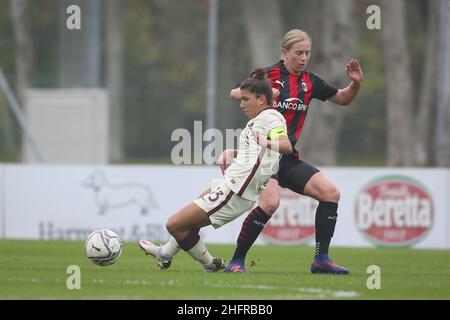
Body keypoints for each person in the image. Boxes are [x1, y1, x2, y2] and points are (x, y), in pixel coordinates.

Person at [222, 29, 364, 274]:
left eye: (307, 53)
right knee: (270, 203)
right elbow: (235, 92)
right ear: (284, 53)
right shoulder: (268, 74)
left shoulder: (311, 81)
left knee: (330, 193)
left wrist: (355, 83)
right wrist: (264, 92)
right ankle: (236, 261)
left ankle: (321, 259)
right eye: (298, 53)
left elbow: (343, 99)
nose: (304, 58)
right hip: (262, 156)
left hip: (286, 156)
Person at [138, 69, 293, 272]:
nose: (241, 104)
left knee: (174, 225)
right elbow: (258, 154)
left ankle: (210, 264)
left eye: (245, 99)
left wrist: (265, 140)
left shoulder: (271, 117)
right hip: (230, 184)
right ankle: (165, 254)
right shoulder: (257, 121)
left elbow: (285, 145)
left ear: (262, 99)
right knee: (191, 216)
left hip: (236, 192)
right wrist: (234, 153)